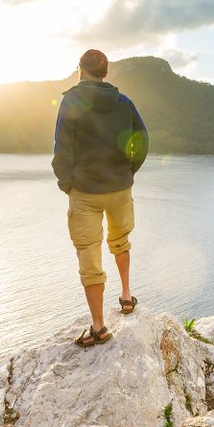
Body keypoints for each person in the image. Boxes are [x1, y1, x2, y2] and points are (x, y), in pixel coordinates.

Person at [52, 49, 149, 347]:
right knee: (121, 241)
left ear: (81, 70)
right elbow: (142, 141)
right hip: (119, 189)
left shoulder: (71, 100)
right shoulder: (124, 102)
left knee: (89, 255)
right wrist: (127, 172)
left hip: (85, 192)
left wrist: (67, 183)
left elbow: (62, 148)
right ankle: (126, 296)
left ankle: (98, 326)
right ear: (106, 73)